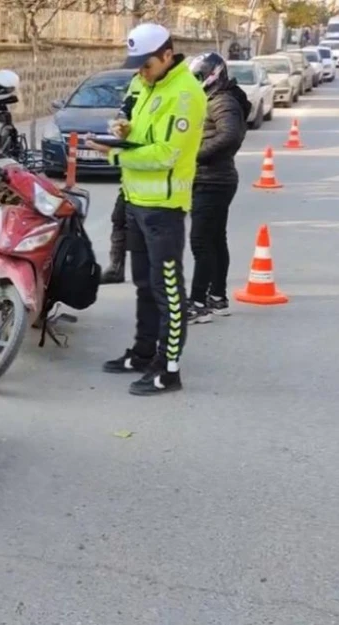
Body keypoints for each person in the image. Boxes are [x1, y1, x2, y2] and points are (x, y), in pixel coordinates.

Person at [86, 23, 207, 396]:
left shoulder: (186, 94)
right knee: (142, 284)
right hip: (136, 200)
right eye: (136, 64)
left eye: (147, 63)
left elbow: (167, 153)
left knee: (166, 288)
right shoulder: (144, 83)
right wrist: (121, 129)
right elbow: (136, 125)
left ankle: (169, 369)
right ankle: (142, 353)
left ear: (168, 55)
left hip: (164, 208)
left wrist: (116, 152)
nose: (140, 70)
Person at [185, 53, 250, 324]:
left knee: (201, 241)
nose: (197, 81)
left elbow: (230, 135)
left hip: (214, 180)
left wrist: (194, 155)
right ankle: (218, 297)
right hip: (212, 178)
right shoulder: (212, 99)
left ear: (214, 74)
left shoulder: (222, 100)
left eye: (200, 76)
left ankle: (199, 302)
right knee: (214, 239)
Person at [100, 73, 143, 285]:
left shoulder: (169, 90)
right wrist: (120, 124)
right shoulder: (137, 80)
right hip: (131, 172)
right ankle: (116, 268)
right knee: (119, 219)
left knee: (147, 229)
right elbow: (125, 109)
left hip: (152, 169)